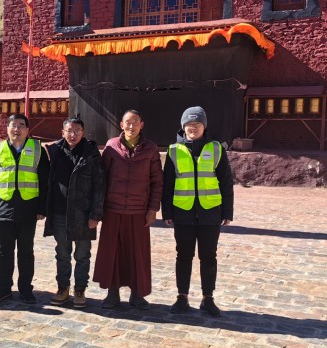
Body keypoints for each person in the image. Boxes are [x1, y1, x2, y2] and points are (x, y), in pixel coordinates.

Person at [162, 106, 234, 317]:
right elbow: (167, 184)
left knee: (208, 257)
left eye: (197, 124)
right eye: (189, 124)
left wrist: (227, 211)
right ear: (183, 127)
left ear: (204, 126)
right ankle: (182, 297)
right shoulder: (174, 150)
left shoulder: (216, 149)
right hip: (182, 212)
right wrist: (167, 212)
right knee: (183, 256)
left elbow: (226, 182)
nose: (193, 128)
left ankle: (207, 298)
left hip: (210, 212)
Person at [93, 109, 162, 310]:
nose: (131, 126)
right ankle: (112, 294)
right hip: (113, 209)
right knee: (112, 253)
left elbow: (157, 181)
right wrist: (99, 208)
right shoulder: (111, 146)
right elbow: (101, 179)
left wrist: (152, 208)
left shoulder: (150, 149)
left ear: (142, 125)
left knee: (137, 254)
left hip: (138, 210)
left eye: (135, 122)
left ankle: (137, 295)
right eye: (127, 122)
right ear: (121, 125)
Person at [0, 113, 49, 304]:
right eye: (13, 125)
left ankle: (26, 289)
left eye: (21, 125)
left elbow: (45, 181)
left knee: (26, 252)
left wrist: (42, 208)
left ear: (27, 130)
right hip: (4, 208)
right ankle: (4, 288)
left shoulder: (37, 149)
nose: (17, 129)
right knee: (4, 252)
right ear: (7, 128)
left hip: (29, 208)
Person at [44, 117, 105, 308]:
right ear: (62, 132)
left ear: (83, 133)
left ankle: (80, 289)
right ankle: (63, 288)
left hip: (83, 213)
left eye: (77, 131)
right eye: (69, 131)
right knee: (62, 253)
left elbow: (99, 186)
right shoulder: (54, 151)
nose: (73, 134)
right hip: (60, 212)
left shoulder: (91, 154)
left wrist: (95, 215)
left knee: (82, 255)